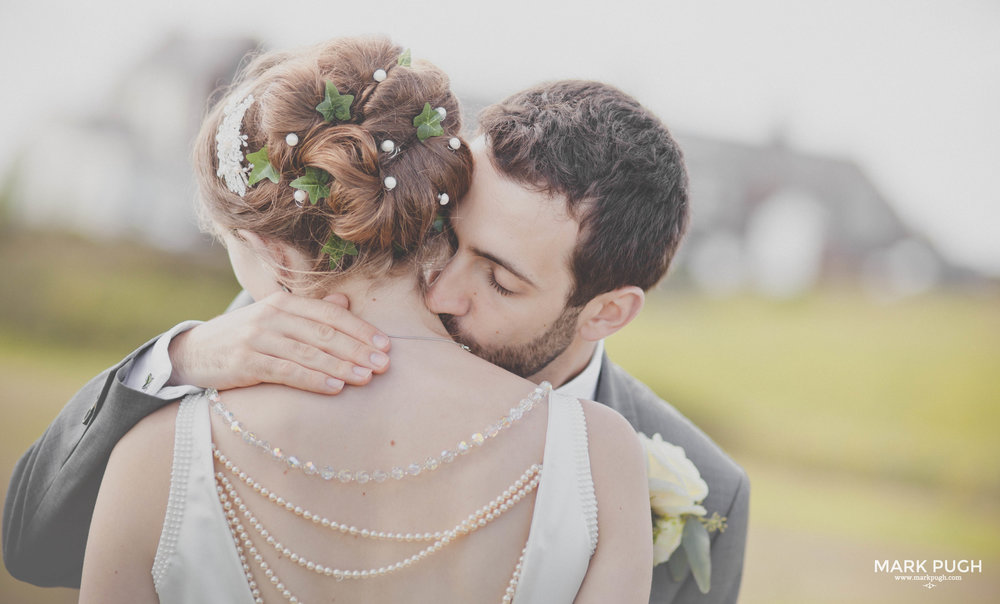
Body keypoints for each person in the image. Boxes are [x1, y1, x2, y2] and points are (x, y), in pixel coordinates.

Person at [4, 51, 749, 604]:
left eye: (498, 277)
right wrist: (183, 357)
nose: (443, 290)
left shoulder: (700, 489)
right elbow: (32, 543)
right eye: (445, 237)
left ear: (607, 311)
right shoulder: (238, 352)